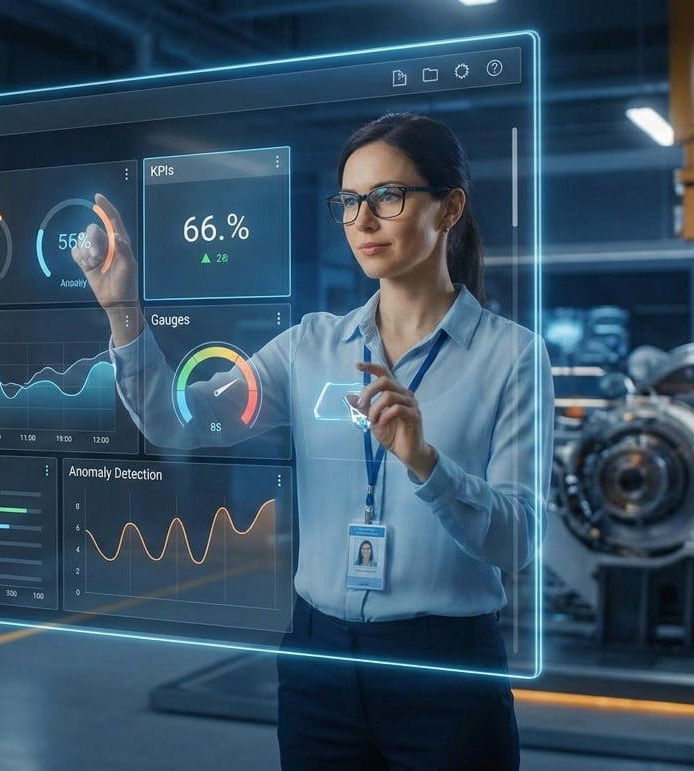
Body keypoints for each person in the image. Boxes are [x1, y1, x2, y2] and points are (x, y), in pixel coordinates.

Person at [74, 113, 552, 770]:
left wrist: (425, 461)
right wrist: (122, 311)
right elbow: (176, 419)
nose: (364, 220)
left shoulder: (512, 357)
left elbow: (519, 541)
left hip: (445, 671)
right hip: (317, 663)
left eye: (388, 196)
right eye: (351, 201)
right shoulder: (307, 347)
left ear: (450, 208)